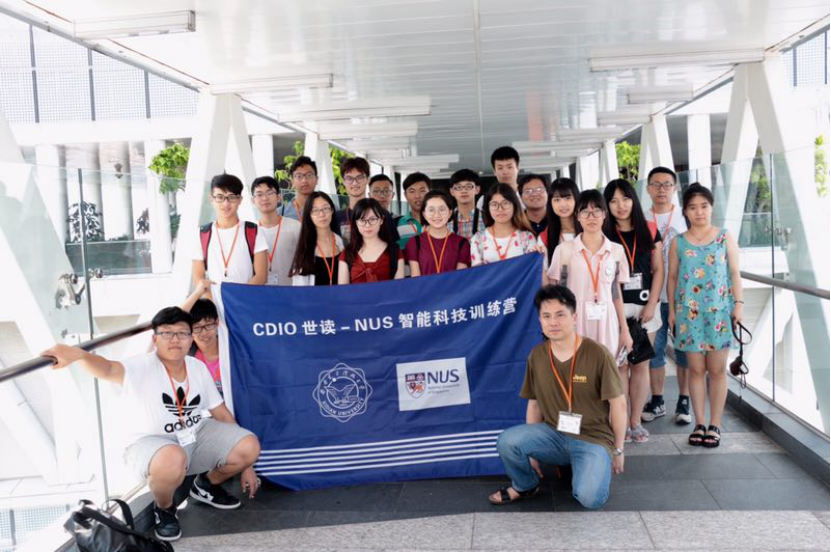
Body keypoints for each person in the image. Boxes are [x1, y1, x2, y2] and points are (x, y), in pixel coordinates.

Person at [41, 307, 261, 542]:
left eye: (182, 333)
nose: (175, 339)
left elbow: (221, 413)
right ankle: (164, 509)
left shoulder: (196, 367)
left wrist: (247, 467)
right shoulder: (140, 366)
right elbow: (107, 368)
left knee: (249, 446)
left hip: (193, 435)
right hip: (150, 446)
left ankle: (205, 485)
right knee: (171, 458)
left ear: (190, 339)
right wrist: (79, 355)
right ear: (155, 339)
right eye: (167, 333)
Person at [488, 285, 626, 509]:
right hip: (554, 433)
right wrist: (532, 455)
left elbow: (618, 405)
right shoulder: (537, 355)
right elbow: (534, 404)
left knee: (590, 499)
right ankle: (525, 485)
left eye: (560, 315)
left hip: (592, 438)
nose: (553, 322)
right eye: (546, 316)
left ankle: (587, 466)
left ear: (574, 318)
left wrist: (618, 449)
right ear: (540, 321)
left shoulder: (598, 354)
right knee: (508, 441)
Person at [668, 183, 743, 448]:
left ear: (711, 208)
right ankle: (699, 423)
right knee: (696, 370)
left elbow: (734, 273)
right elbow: (672, 277)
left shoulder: (724, 237)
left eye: (704, 206)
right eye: (693, 207)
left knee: (717, 370)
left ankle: (715, 425)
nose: (699, 212)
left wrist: (739, 304)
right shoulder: (678, 241)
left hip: (720, 312)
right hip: (688, 314)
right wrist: (673, 311)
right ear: (685, 211)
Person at [604, 179, 664, 444]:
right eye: (613, 201)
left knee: (640, 364)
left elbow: (658, 269)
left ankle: (635, 421)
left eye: (625, 199)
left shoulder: (649, 229)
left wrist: (652, 304)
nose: (620, 206)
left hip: (645, 308)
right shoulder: (604, 233)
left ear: (634, 200)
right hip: (615, 307)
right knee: (620, 365)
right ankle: (620, 421)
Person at [547, 190, 633, 359]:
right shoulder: (564, 250)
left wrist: (625, 329)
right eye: (585, 212)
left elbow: (616, 293)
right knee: (576, 369)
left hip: (606, 321)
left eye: (596, 211)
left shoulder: (616, 251)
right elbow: (553, 291)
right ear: (578, 216)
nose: (591, 217)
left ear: (604, 214)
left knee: (605, 368)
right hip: (574, 320)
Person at [642, 166, 691, 424]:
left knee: (684, 352)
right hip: (651, 298)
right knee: (654, 352)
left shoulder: (686, 217)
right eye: (656, 184)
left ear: (674, 188)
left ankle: (684, 401)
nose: (662, 189)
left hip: (682, 299)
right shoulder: (641, 219)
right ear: (648, 188)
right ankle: (657, 400)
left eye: (667, 184)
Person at [192, 174, 268, 296]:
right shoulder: (202, 233)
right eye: (220, 197)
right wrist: (212, 302)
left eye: (231, 197)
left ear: (240, 200)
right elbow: (198, 278)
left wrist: (237, 302)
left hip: (245, 302)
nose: (226, 204)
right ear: (211, 199)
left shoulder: (254, 231)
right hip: (214, 303)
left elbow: (261, 276)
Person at [337, 199, 404, 284]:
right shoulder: (347, 253)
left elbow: (399, 289)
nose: (367, 225)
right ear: (356, 223)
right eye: (362, 220)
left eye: (372, 219)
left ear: (381, 220)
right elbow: (343, 290)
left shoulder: (395, 251)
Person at [406, 189, 471, 276]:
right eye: (431, 210)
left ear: (450, 213)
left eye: (442, 209)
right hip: (424, 285)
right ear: (424, 214)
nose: (437, 215)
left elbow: (460, 278)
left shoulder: (462, 243)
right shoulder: (414, 242)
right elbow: (415, 278)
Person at [470, 183, 537, 266]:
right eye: (494, 204)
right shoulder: (478, 239)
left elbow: (532, 269)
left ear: (514, 205)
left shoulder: (527, 237)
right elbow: (478, 272)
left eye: (505, 203)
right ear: (488, 208)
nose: (500, 209)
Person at [336, 157, 399, 245]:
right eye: (349, 178)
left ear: (368, 179)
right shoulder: (336, 218)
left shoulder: (383, 215)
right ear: (343, 181)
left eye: (360, 177)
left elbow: (393, 248)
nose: (355, 183)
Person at [251, 176, 301, 286]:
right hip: (261, 292)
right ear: (253, 200)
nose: (265, 198)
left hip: (290, 291)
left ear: (279, 197)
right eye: (259, 194)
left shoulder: (296, 227)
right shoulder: (250, 232)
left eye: (269, 193)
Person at [289, 192, 344, 286]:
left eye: (325, 208)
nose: (322, 214)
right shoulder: (304, 247)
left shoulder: (339, 240)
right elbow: (300, 290)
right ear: (309, 215)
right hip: (314, 296)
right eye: (315, 210)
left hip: (341, 295)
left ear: (332, 210)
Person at [539, 177, 582, 277]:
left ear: (576, 199)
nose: (562, 204)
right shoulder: (545, 237)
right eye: (557, 200)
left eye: (567, 198)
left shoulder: (590, 231)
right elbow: (544, 273)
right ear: (551, 203)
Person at [477, 146, 524, 210]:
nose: (505, 172)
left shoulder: (528, 196)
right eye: (500, 168)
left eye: (509, 167)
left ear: (517, 168)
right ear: (494, 171)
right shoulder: (484, 201)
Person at [396, 172, 430, 249]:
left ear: (429, 192)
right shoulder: (399, 223)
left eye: (422, 191)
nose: (417, 196)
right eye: (412, 191)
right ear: (405, 195)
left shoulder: (438, 220)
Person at [448, 168, 483, 240]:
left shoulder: (487, 218)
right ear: (452, 191)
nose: (464, 191)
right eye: (459, 187)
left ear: (477, 189)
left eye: (468, 186)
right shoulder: (446, 219)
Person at [280, 156, 318, 220]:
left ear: (317, 179)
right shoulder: (281, 213)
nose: (304, 180)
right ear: (292, 181)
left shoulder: (330, 209)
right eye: (299, 176)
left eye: (309, 175)